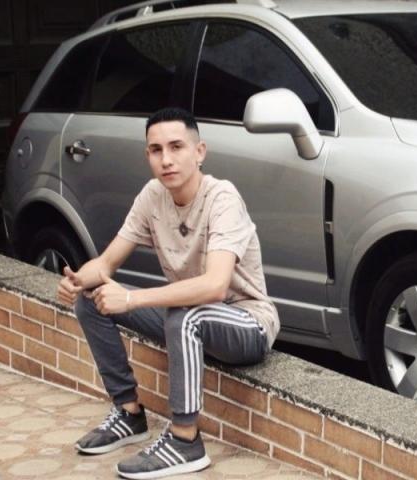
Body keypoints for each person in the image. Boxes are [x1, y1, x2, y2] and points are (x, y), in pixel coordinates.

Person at [57, 107, 279, 479]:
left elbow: (215, 286)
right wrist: (78, 280)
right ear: (148, 155)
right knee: (92, 301)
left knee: (184, 314)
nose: (166, 159)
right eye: (156, 150)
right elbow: (107, 263)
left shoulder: (222, 198)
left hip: (246, 323)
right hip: (188, 318)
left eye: (176, 147)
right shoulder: (153, 196)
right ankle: (128, 412)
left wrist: (132, 299)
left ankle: (185, 440)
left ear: (199, 151)